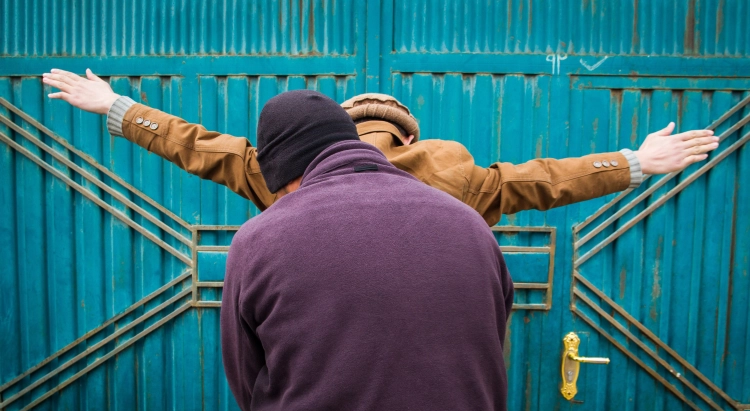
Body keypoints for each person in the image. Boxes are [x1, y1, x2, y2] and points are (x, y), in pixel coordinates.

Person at [220, 89, 514, 411]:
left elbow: (251, 387)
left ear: (284, 171)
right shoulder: (472, 228)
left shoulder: (259, 239)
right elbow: (485, 354)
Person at [42, 69, 720, 225]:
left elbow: (194, 143)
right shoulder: (453, 169)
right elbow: (545, 178)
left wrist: (118, 107)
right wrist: (632, 162)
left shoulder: (280, 166)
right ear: (409, 133)